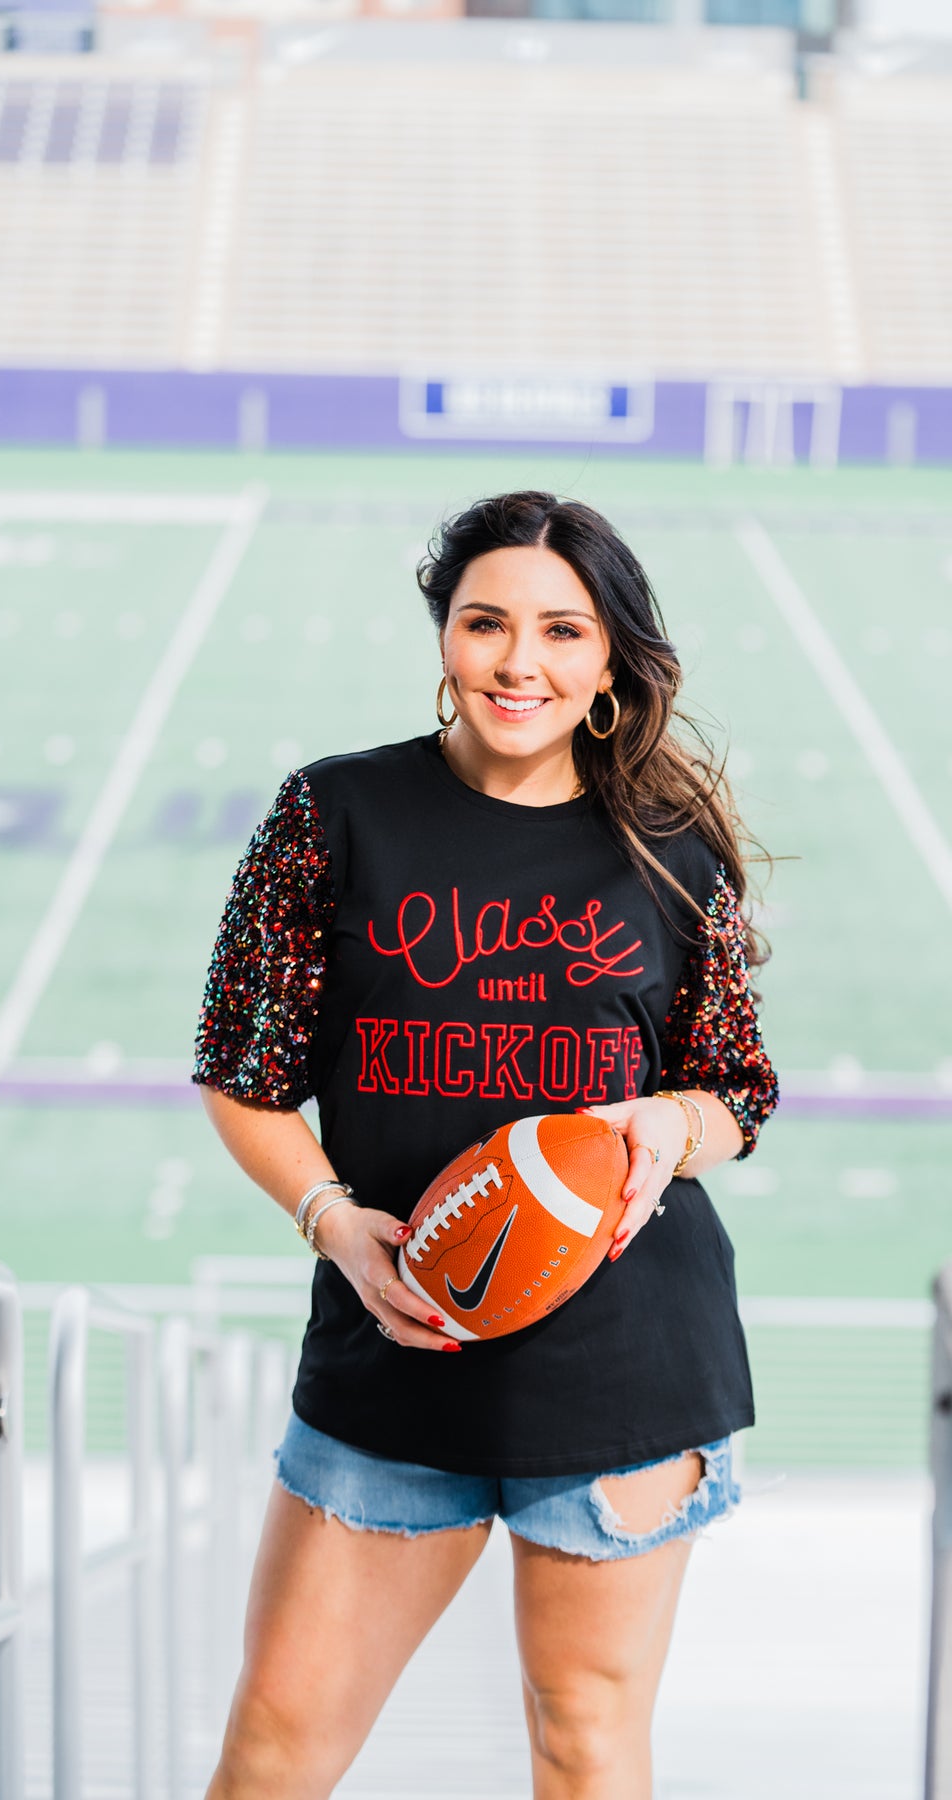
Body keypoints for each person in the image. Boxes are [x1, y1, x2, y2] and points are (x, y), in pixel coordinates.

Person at [193, 491, 778, 1800]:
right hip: (396, 1338)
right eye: (488, 622)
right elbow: (243, 1075)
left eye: (564, 631)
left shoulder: (669, 847)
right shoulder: (331, 814)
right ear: (444, 634)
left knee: (584, 1746)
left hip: (626, 1362)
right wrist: (335, 1224)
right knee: (277, 1745)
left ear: (613, 657)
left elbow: (738, 1088)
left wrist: (670, 1124)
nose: (523, 661)